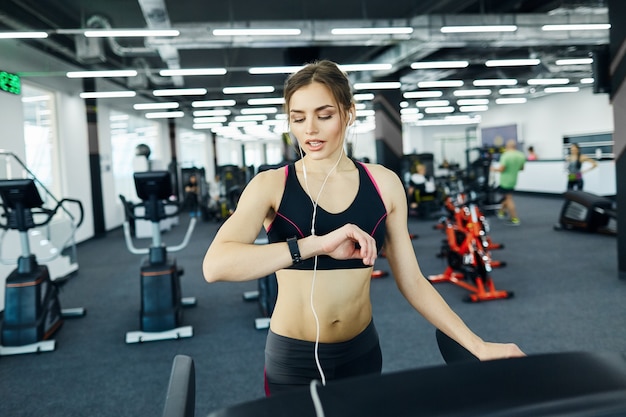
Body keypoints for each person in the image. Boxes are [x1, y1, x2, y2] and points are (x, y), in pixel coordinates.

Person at [202, 60, 524, 396]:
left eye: (324, 115)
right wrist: (315, 245)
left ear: (348, 113)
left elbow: (413, 281)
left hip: (361, 352)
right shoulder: (271, 185)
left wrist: (478, 345)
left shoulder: (384, 183)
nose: (310, 129)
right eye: (298, 118)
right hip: (294, 358)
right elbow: (215, 266)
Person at [491, 140, 526, 226]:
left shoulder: (505, 155)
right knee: (506, 197)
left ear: (507, 146)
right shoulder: (521, 155)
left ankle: (514, 218)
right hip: (513, 180)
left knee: (508, 198)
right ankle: (501, 212)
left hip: (505, 181)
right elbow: (521, 168)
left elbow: (502, 169)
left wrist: (492, 169)